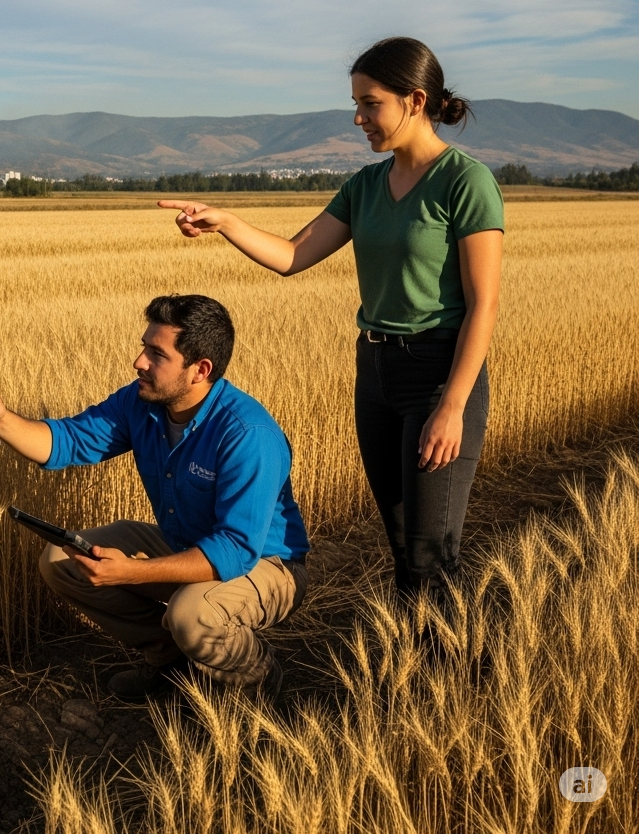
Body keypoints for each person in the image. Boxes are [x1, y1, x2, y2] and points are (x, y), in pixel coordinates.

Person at [160, 37, 503, 597]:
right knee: (402, 544)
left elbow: (483, 303)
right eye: (357, 104)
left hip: (438, 375)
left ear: (415, 101)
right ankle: (412, 648)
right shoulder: (365, 186)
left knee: (430, 554)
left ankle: (450, 652)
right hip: (376, 373)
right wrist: (227, 223)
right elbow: (293, 256)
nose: (358, 118)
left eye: (370, 104)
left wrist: (453, 405)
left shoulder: (464, 181)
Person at [0, 294, 310, 701]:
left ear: (200, 370)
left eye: (156, 354)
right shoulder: (141, 403)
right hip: (188, 545)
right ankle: (171, 661)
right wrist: (1, 421)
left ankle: (259, 682)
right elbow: (68, 441)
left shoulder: (248, 434)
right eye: (144, 347)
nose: (138, 361)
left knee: (192, 614)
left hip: (267, 565)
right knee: (62, 561)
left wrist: (131, 572)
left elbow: (234, 551)